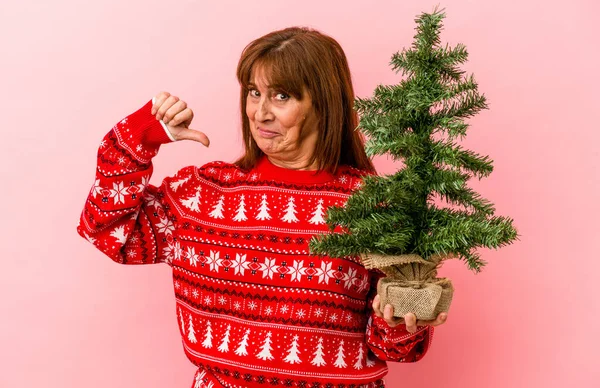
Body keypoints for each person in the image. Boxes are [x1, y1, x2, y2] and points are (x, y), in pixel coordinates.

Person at [76, 26, 448, 388]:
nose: (260, 112)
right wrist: (140, 136)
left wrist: (400, 324)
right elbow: (109, 232)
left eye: (282, 96)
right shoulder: (203, 195)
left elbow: (395, 349)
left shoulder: (375, 206)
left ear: (323, 103)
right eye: (254, 93)